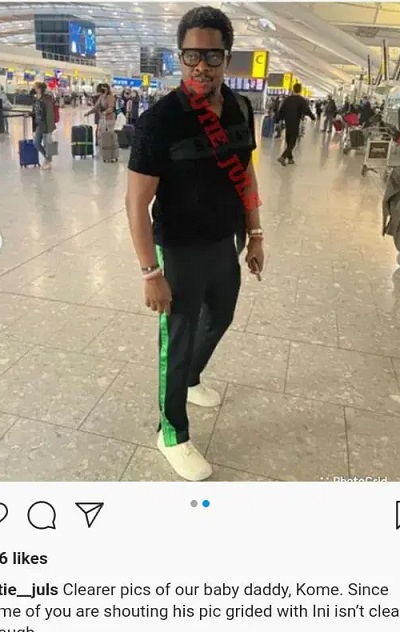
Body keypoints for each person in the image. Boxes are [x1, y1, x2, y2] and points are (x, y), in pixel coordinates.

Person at [126, 5, 263, 481]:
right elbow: (135, 202)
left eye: (212, 56)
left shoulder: (241, 107)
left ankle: (191, 379)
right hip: (179, 249)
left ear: (227, 57)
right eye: (191, 56)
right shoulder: (160, 121)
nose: (201, 66)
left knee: (220, 317)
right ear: (179, 57)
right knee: (177, 341)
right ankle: (171, 433)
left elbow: (246, 172)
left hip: (225, 241)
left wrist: (256, 233)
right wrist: (151, 272)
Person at [276, 82, 315, 166]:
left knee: (288, 140)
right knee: (292, 142)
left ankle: (290, 159)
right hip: (295, 122)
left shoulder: (288, 99)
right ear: (300, 90)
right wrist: (313, 117)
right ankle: (283, 157)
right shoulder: (301, 100)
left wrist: (277, 120)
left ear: (293, 89)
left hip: (287, 122)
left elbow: (281, 110)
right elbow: (306, 110)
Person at [32, 81, 55, 170]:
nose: (34, 88)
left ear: (39, 89)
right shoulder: (36, 99)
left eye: (35, 87)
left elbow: (49, 114)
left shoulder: (46, 99)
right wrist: (30, 114)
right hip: (39, 124)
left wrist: (50, 128)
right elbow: (35, 111)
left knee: (48, 144)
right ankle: (48, 159)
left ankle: (48, 161)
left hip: (46, 124)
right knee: (36, 143)